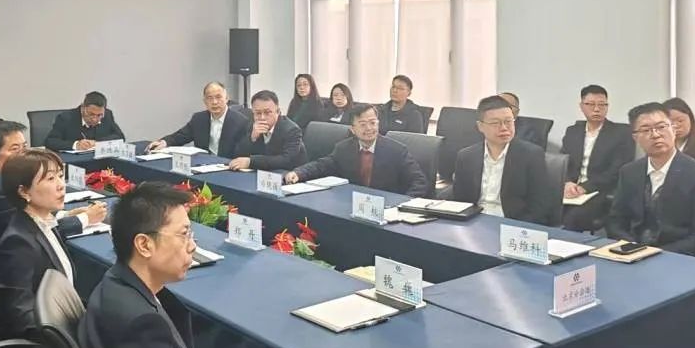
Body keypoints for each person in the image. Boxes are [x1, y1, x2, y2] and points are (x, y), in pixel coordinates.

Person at [78, 182, 320, 348]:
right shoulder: (139, 324)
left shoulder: (119, 285)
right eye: (183, 235)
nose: (192, 246)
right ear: (144, 244)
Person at [0, 122, 106, 286]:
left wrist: (67, 214)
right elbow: (37, 235)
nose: (25, 154)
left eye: (25, 147)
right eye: (15, 149)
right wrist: (85, 219)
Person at [0, 149, 77, 348]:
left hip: (61, 330)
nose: (61, 185)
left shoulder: (43, 223)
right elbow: (21, 317)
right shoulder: (18, 242)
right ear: (24, 192)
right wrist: (72, 342)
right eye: (50, 179)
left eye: (60, 176)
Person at [606, 102, 695, 260]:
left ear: (673, 130)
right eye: (646, 130)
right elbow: (616, 221)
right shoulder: (629, 172)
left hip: (678, 258)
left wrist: (653, 254)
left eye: (661, 127)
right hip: (633, 255)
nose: (655, 135)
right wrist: (631, 247)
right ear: (635, 138)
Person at [285, 104, 428, 196]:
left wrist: (402, 205)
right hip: (354, 207)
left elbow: (419, 181)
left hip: (386, 210)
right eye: (363, 124)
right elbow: (322, 165)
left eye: (373, 123)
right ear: (353, 129)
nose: (369, 128)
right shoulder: (344, 148)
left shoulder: (396, 151)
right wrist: (299, 173)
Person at [450, 96, 552, 224]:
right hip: (473, 221)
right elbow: (460, 201)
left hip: (511, 223)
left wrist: (515, 228)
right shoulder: (466, 156)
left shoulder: (531, 155)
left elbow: (540, 205)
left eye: (508, 121)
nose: (504, 127)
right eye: (495, 123)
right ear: (480, 126)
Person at [560, 85, 634, 232]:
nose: (596, 109)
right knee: (541, 207)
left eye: (602, 105)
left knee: (573, 218)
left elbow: (618, 170)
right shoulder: (573, 131)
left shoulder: (621, 133)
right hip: (571, 190)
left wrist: (585, 187)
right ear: (581, 106)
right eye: (591, 104)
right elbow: (562, 162)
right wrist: (567, 182)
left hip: (600, 191)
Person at [148, 82, 250, 157]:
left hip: (227, 168)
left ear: (227, 99)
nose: (214, 102)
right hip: (202, 166)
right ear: (205, 101)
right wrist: (164, 142)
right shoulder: (199, 119)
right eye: (210, 98)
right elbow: (180, 136)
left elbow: (243, 152)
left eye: (218, 97)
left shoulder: (240, 122)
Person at [230, 91, 307, 171]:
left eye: (267, 112)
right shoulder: (252, 125)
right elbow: (237, 155)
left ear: (278, 112)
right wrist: (252, 138)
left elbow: (286, 160)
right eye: (258, 113)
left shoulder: (292, 130)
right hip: (262, 172)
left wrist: (251, 162)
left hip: (289, 173)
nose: (262, 117)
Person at [44, 91, 126, 151]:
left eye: (99, 115)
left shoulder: (107, 115)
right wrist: (76, 145)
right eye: (91, 114)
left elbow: (120, 137)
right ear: (83, 108)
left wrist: (96, 142)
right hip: (75, 162)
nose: (95, 119)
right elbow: (50, 141)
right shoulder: (65, 118)